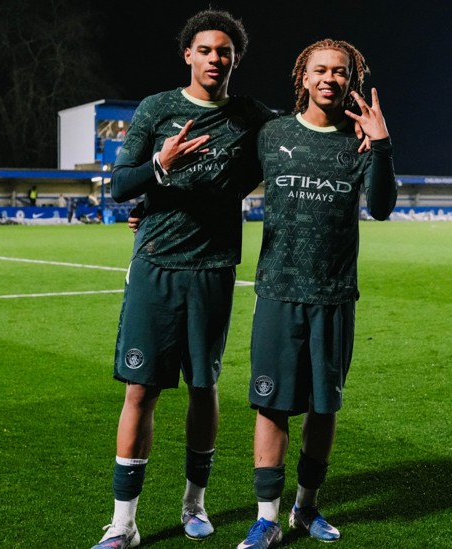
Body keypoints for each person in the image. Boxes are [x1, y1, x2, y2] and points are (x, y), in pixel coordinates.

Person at [91, 9, 275, 549]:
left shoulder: (250, 115)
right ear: (188, 54)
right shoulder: (157, 109)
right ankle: (123, 523)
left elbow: (299, 131)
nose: (216, 58)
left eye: (225, 51)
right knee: (140, 389)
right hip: (156, 265)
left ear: (235, 60)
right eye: (206, 49)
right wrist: (160, 164)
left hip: (213, 268)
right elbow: (120, 185)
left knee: (203, 386)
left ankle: (194, 503)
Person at [236, 38, 397, 549]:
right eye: (321, 70)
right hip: (279, 292)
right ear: (303, 77)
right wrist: (151, 206)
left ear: (352, 80)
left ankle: (306, 508)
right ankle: (266, 518)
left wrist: (382, 144)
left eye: (340, 71)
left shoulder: (361, 140)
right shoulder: (273, 134)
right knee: (271, 406)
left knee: (323, 408)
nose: (330, 78)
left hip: (334, 295)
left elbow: (383, 207)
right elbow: (226, 186)